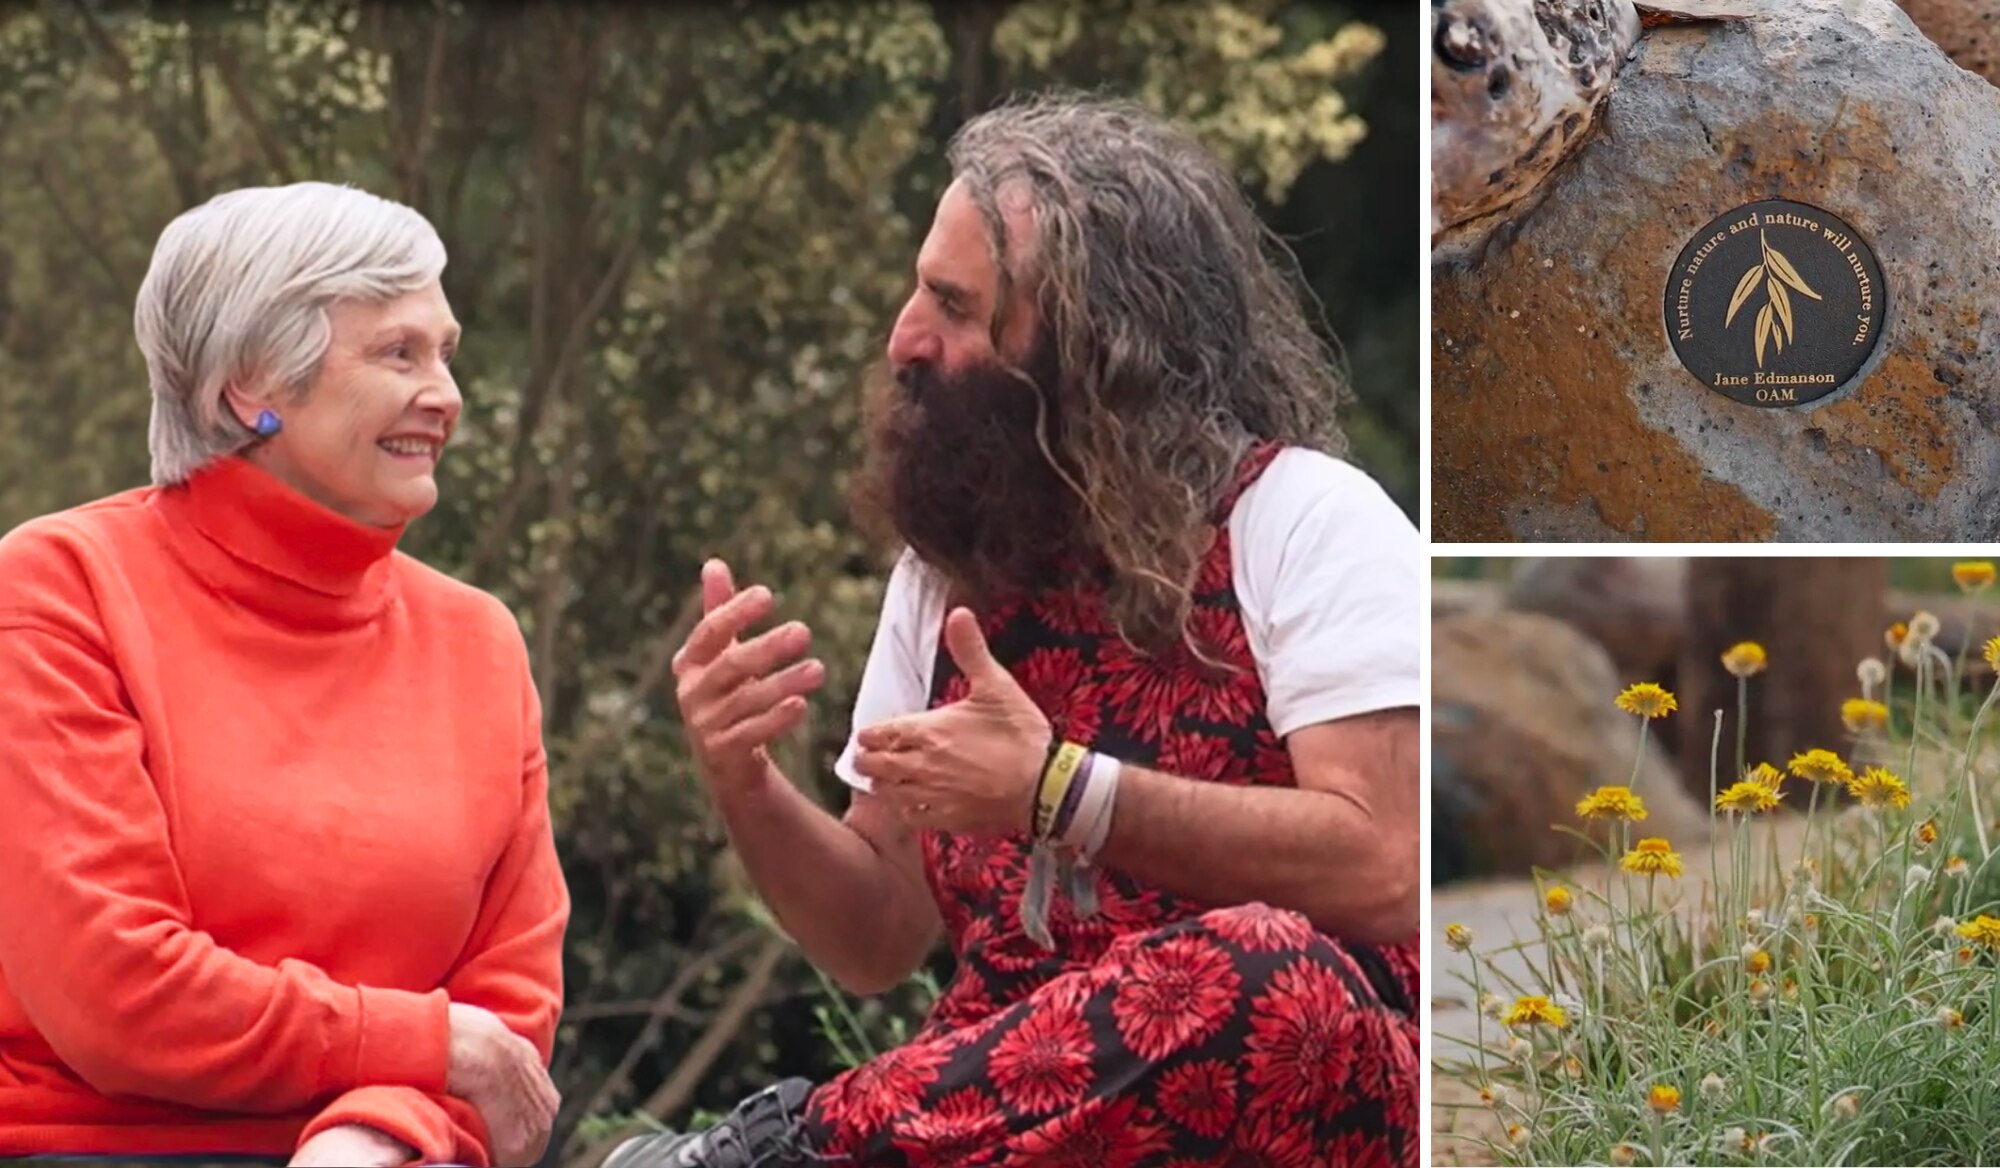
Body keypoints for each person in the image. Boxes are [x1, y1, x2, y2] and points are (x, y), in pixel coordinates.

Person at [619, 91, 1422, 1168]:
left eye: (955, 308)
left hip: (1292, 1102)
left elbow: (1384, 864)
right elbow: (876, 934)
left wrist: (1060, 793)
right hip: (1009, 1127)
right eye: (919, 292)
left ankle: (777, 1155)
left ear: (1098, 344)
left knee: (1266, 970)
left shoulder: (1305, 520)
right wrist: (744, 784)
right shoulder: (950, 572)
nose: (905, 339)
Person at [0, 183, 570, 1168]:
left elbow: (509, 1019)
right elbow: (114, 992)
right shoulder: (59, 590)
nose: (446, 394)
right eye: (399, 352)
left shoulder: (479, 640)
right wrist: (429, 1044)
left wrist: (374, 1133)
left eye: (447, 353)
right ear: (253, 385)